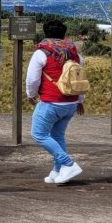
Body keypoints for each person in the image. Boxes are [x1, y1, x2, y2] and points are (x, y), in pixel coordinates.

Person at [26, 18, 86, 185]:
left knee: (38, 134)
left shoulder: (42, 52)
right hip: (71, 103)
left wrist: (30, 95)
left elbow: (32, 79)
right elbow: (79, 79)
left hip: (51, 101)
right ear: (63, 34)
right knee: (57, 136)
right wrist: (80, 100)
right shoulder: (75, 53)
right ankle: (58, 171)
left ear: (45, 33)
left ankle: (68, 164)